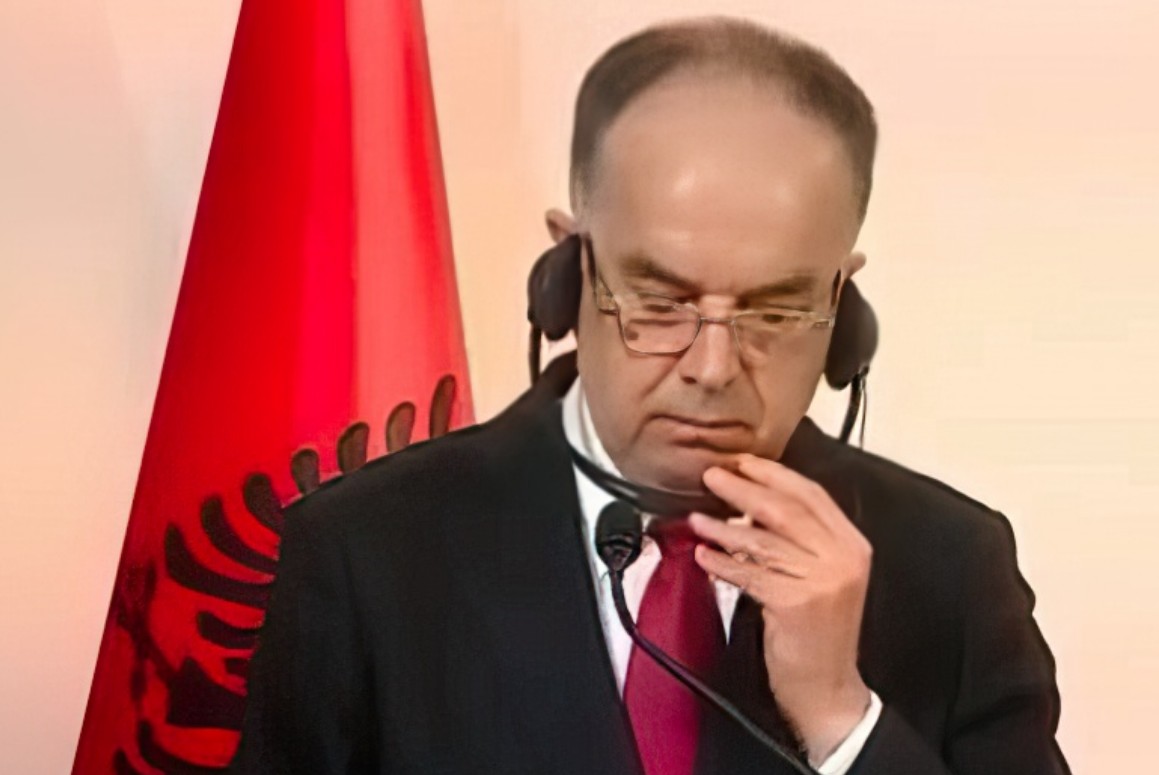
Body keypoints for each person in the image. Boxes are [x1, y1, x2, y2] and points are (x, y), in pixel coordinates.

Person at [232, 16, 1070, 775]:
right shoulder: (366, 555)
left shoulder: (951, 568)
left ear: (841, 307)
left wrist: (843, 721)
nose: (712, 366)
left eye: (774, 311)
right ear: (568, 271)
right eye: (661, 301)